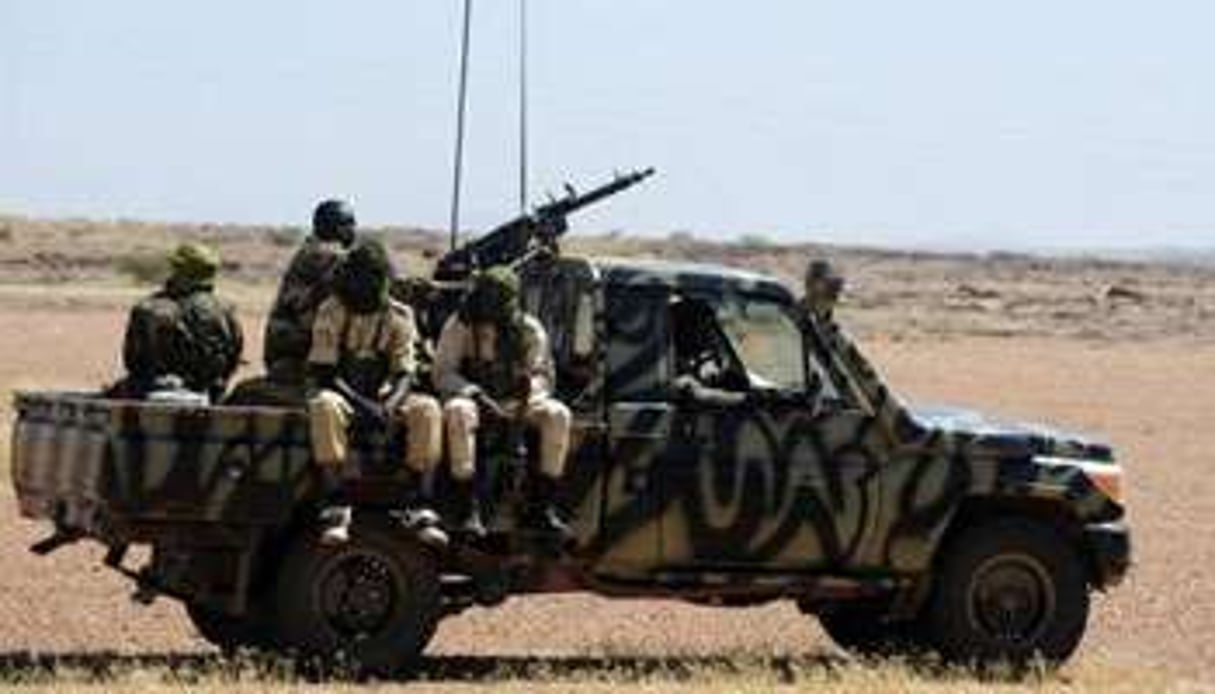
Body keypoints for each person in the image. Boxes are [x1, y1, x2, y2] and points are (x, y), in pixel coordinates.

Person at [306, 239, 443, 544]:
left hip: (385, 395)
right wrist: (364, 405)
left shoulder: (399, 315)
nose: (364, 283)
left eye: (372, 276)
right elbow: (325, 372)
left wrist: (390, 405)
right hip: (343, 393)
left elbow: (405, 370)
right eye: (359, 276)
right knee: (323, 405)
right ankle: (335, 501)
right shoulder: (331, 310)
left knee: (428, 409)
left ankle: (419, 500)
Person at [434, 267, 571, 537]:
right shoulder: (461, 324)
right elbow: (443, 372)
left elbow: (543, 374)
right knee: (458, 412)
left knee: (558, 415)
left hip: (517, 402)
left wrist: (527, 394)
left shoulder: (528, 329)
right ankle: (468, 507)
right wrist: (476, 395)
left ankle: (542, 507)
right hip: (475, 399)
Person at [116, 242, 243, 402]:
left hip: (150, 395)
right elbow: (232, 360)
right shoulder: (226, 311)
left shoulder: (148, 309)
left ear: (177, 269)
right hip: (211, 395)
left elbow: (133, 361)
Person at [263, 198, 358, 384]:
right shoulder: (325, 256)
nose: (354, 229)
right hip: (297, 349)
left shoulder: (311, 251)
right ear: (336, 228)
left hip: (289, 346)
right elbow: (366, 268)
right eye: (349, 224)